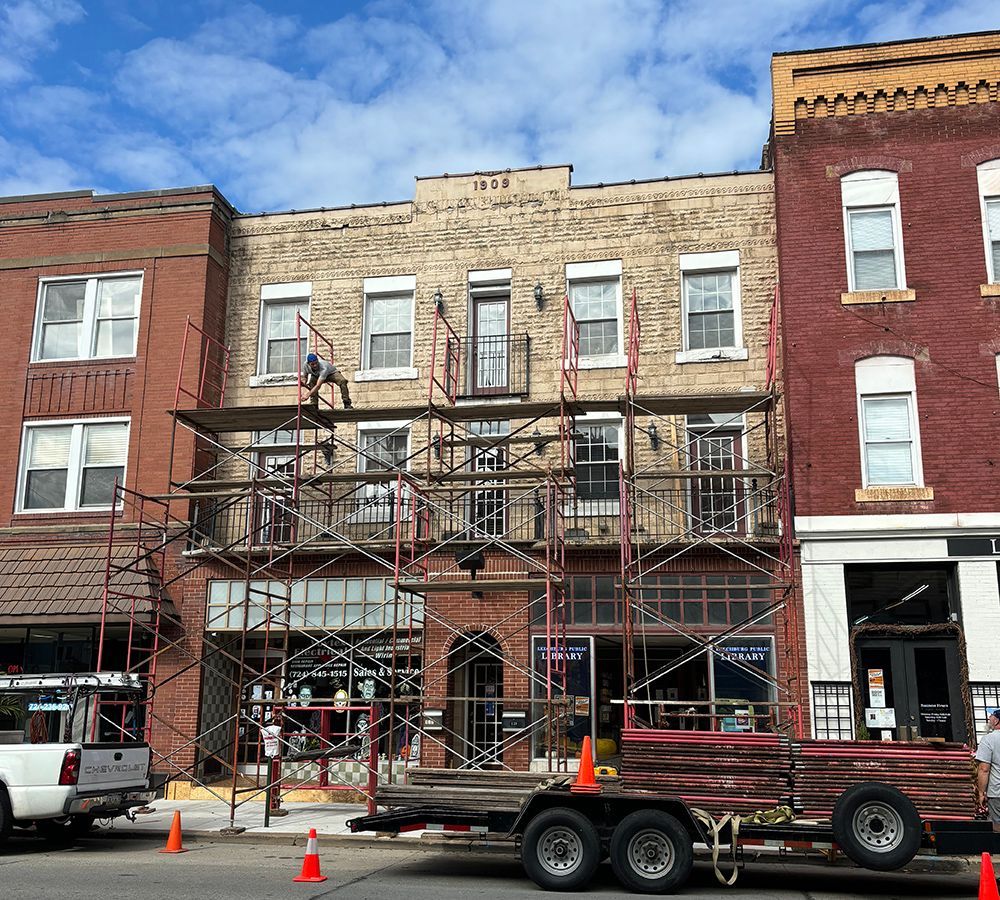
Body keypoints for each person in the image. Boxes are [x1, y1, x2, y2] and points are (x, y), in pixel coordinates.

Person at [975, 708, 1000, 823]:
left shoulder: (989, 739)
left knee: (997, 828)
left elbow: (984, 769)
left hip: (997, 793)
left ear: (996, 721)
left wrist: (981, 793)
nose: (989, 719)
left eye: (990, 716)